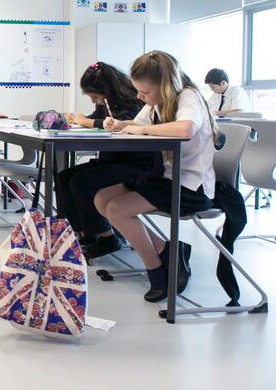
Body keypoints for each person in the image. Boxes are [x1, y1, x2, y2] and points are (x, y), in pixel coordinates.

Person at [96, 51, 218, 303]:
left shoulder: (188, 96)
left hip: (190, 186)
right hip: (165, 178)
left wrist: (138, 129)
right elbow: (135, 124)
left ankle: (156, 270)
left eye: (145, 92)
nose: (140, 97)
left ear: (166, 85)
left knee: (118, 210)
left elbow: (185, 128)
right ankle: (168, 249)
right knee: (101, 198)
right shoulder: (157, 103)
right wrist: (118, 125)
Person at [59, 62, 157, 259]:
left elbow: (116, 126)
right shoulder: (107, 102)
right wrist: (78, 119)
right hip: (114, 160)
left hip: (139, 165)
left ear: (107, 88)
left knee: (81, 182)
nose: (93, 99)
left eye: (94, 95)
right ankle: (85, 235)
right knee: (64, 177)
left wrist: (84, 121)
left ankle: (107, 237)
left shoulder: (131, 101)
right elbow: (97, 119)